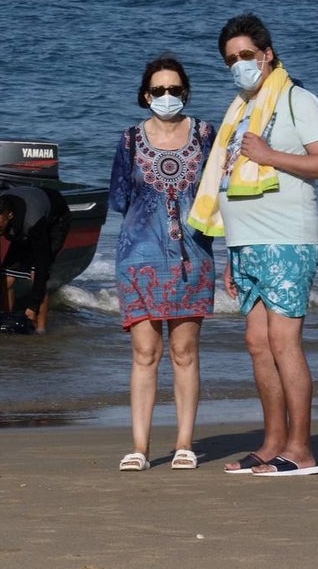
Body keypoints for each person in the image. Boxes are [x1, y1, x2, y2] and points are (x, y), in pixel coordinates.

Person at [189, 13, 318, 477]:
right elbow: (232, 179)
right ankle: (274, 441)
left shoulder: (298, 100)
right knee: (257, 343)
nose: (239, 65)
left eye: (246, 56)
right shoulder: (240, 109)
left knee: (283, 342)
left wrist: (270, 155)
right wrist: (233, 249)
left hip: (287, 238)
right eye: (231, 60)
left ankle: (302, 450)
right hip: (248, 244)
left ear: (267, 54)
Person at [109, 54, 216, 472]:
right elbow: (120, 199)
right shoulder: (130, 140)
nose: (167, 96)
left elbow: (220, 189)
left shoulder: (207, 134)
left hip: (194, 255)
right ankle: (139, 446)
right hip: (138, 257)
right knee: (144, 352)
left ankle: (185, 444)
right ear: (145, 95)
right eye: (158, 90)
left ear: (185, 92)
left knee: (185, 351)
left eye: (174, 89)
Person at [0, 185, 71, 335]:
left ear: (9, 216)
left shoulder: (33, 222)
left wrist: (33, 306)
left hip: (55, 219)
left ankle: (41, 331)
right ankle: (6, 320)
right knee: (7, 278)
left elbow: (42, 266)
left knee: (37, 274)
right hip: (23, 221)